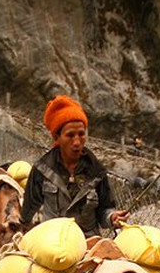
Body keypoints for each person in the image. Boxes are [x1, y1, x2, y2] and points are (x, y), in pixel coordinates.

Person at [21, 95, 126, 237]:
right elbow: (28, 212)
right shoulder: (42, 169)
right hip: (52, 241)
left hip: (88, 241)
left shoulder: (97, 172)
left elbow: (104, 210)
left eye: (81, 134)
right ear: (57, 138)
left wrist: (112, 217)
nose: (77, 142)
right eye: (70, 135)